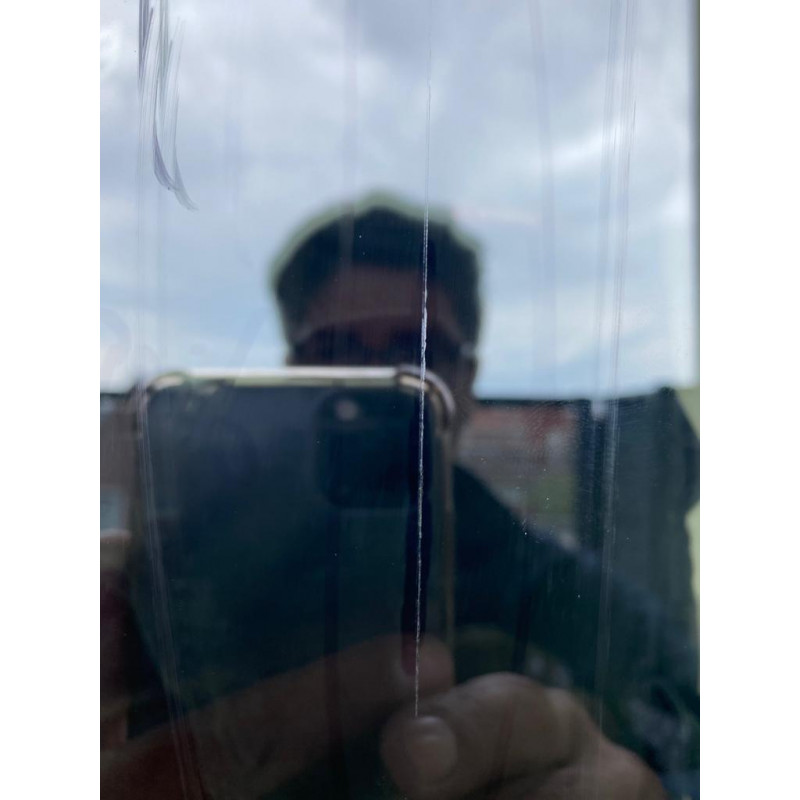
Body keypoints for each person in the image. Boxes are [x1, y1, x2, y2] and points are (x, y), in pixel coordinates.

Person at [101, 194, 698, 799]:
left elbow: (695, 728)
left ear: (465, 381)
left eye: (417, 351)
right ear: (295, 368)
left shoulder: (554, 588)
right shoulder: (187, 574)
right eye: (337, 349)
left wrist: (645, 787)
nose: (379, 378)